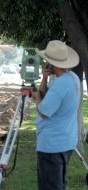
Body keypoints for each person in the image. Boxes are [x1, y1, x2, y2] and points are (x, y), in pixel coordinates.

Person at [32, 40, 81, 190]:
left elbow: (44, 111)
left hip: (52, 144)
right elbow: (49, 98)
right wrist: (45, 78)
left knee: (50, 186)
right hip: (65, 141)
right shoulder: (72, 78)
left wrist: (36, 99)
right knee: (58, 184)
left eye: (48, 61)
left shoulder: (61, 84)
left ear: (54, 63)